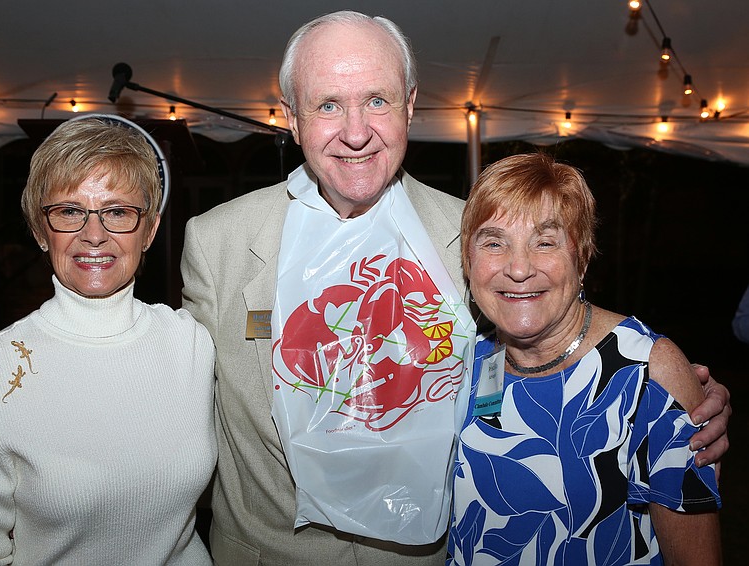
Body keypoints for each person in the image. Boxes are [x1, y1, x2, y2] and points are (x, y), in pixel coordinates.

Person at [180, 11, 731, 565]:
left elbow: (540, 346)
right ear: (293, 119)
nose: (355, 130)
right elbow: (176, 407)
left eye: (377, 100)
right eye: (327, 105)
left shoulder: (470, 233)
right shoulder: (217, 242)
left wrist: (675, 400)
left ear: (410, 105)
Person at [0, 117, 217, 565]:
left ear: (151, 230)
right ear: (41, 231)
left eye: (118, 211)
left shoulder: (191, 344)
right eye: (69, 211)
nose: (94, 234)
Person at [448, 153, 721, 565]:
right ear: (469, 263)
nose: (519, 268)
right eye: (494, 242)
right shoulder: (464, 360)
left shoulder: (647, 370)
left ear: (582, 259)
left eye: (545, 242)